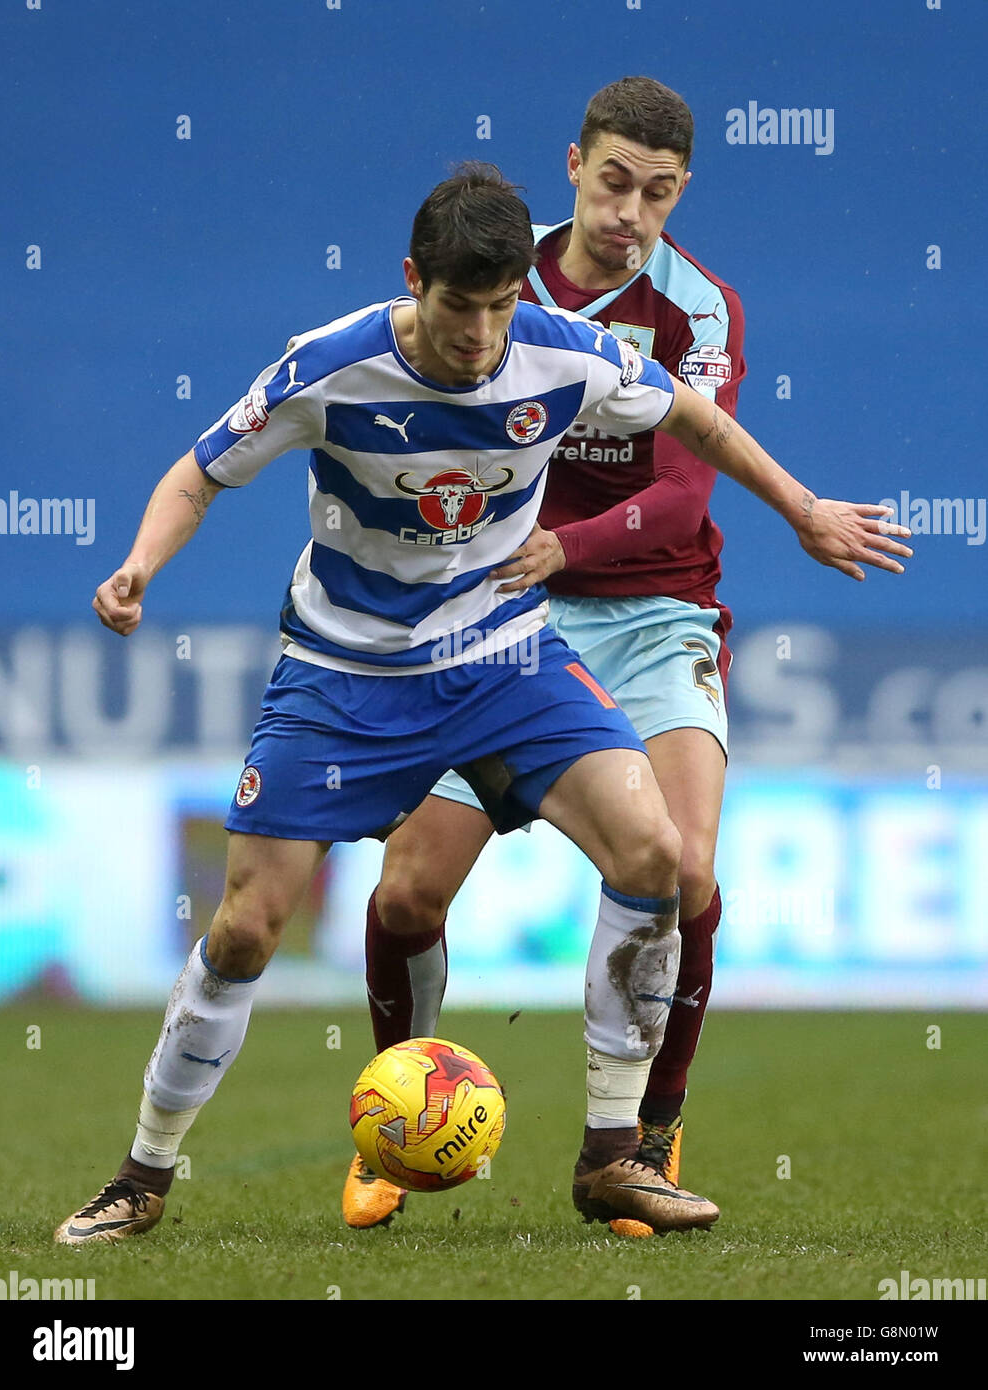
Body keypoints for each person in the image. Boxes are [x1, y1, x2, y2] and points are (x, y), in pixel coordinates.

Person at [55, 162, 909, 1246]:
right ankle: (143, 1174)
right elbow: (199, 473)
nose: (480, 334)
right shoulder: (332, 365)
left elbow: (697, 421)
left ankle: (614, 1157)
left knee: (656, 854)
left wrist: (802, 510)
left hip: (506, 658)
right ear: (416, 281)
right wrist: (139, 566)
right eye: (460, 307)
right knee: (247, 927)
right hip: (343, 673)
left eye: (502, 306)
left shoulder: (568, 351)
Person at [340, 77, 881, 1235]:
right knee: (407, 890)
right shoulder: (495, 270)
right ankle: (397, 1127)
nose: (632, 210)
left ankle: (641, 1137)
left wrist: (564, 544)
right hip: (496, 619)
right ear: (574, 164)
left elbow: (684, 498)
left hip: (649, 615)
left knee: (685, 877)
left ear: (681, 193)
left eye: (661, 191)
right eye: (614, 180)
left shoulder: (699, 309)